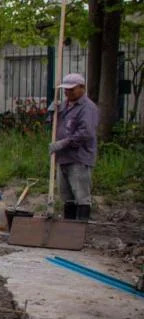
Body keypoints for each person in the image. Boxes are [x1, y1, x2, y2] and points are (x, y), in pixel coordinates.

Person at [49, 73, 98, 221]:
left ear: (82, 88)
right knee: (66, 196)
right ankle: (68, 229)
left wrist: (64, 143)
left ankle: (80, 230)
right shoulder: (63, 105)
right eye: (65, 90)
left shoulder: (88, 108)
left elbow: (86, 132)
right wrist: (52, 113)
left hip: (79, 158)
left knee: (81, 195)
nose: (67, 93)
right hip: (62, 157)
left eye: (72, 90)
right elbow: (53, 125)